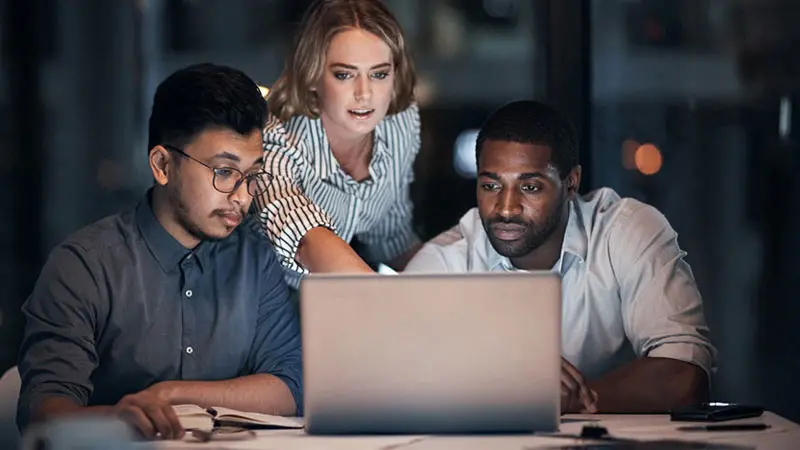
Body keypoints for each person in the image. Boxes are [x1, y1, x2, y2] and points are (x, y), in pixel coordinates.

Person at [17, 63, 302, 439]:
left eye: (252, 175)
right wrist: (123, 418)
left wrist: (171, 395)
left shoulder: (256, 261)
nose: (242, 196)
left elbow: (289, 385)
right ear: (163, 165)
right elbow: (44, 414)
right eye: (224, 171)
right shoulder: (85, 266)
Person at [405, 100, 716, 414]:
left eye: (529, 187)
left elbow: (685, 378)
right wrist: (512, 388)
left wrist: (562, 399)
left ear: (571, 183)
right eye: (491, 185)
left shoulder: (624, 233)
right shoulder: (444, 264)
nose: (506, 208)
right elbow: (396, 384)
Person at [256, 0, 421, 287]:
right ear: (312, 75)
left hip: (341, 299)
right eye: (344, 74)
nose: (364, 93)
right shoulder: (276, 140)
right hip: (261, 308)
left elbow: (391, 238)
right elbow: (304, 239)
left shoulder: (399, 123)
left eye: (379, 74)